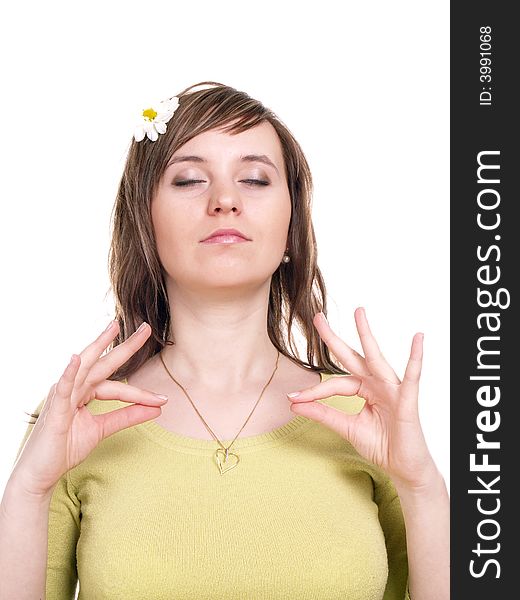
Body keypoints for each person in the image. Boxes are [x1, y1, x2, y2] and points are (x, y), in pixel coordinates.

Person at [0, 81, 449, 599]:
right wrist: (28, 489)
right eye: (189, 180)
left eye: (256, 179)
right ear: (145, 220)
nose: (225, 200)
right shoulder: (76, 418)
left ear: (291, 223)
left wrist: (423, 488)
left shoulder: (369, 418)